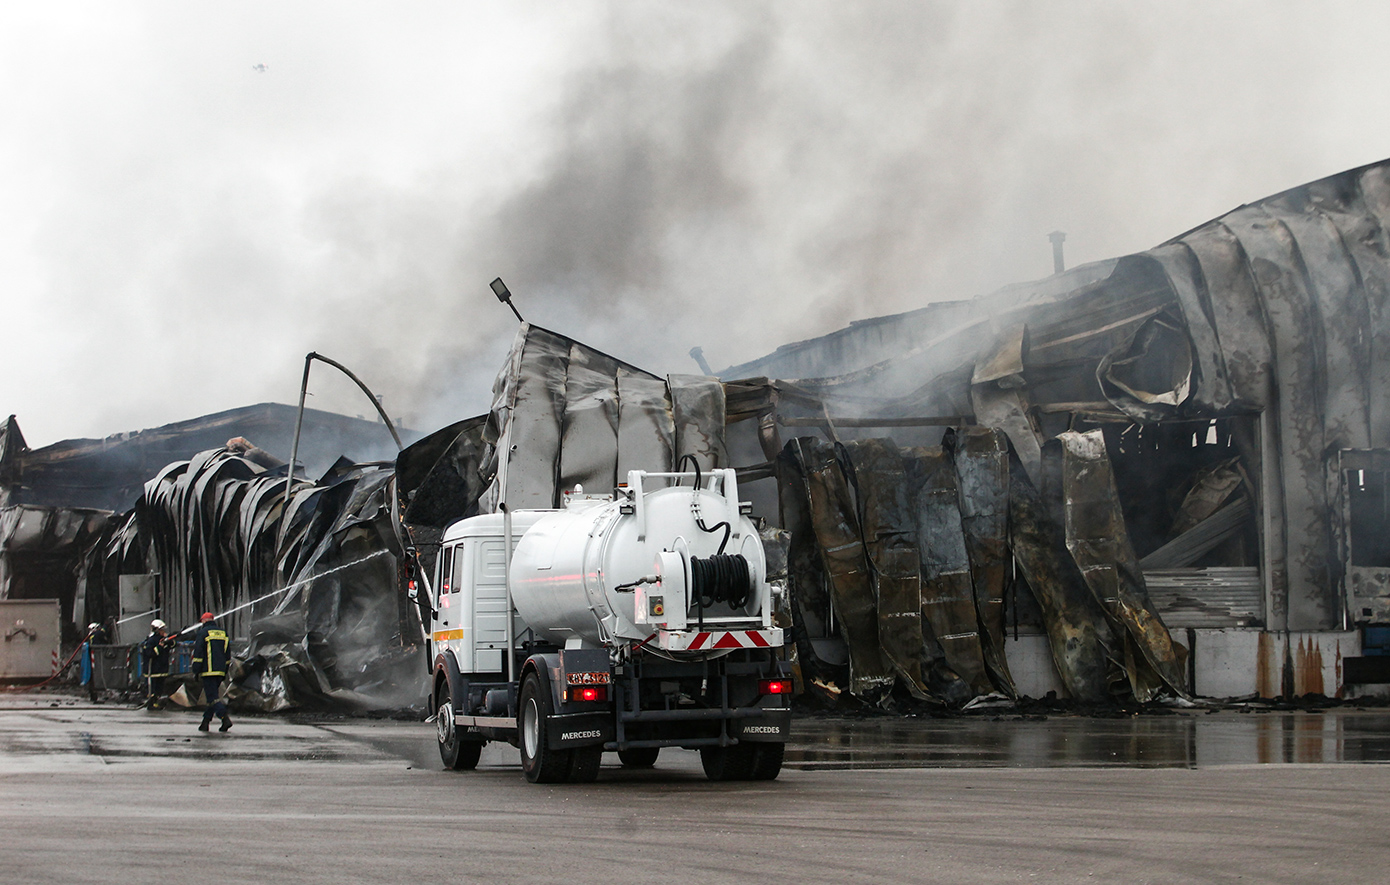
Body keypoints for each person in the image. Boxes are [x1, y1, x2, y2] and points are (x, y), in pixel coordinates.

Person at [191, 612, 232, 733]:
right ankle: (205, 722)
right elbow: (227, 654)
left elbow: (198, 654)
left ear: (204, 621)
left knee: (213, 698)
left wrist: (196, 670)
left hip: (208, 671)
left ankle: (224, 718)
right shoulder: (223, 633)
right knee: (211, 698)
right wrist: (225, 670)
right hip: (220, 671)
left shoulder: (203, 633)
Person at [140, 619, 174, 710]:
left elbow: (173, 645)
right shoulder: (151, 641)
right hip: (153, 670)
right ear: (157, 630)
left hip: (162, 669)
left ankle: (156, 702)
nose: (164, 631)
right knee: (153, 689)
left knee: (160, 688)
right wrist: (159, 647)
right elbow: (150, 653)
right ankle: (151, 703)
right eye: (162, 629)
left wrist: (169, 640)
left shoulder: (163, 639)